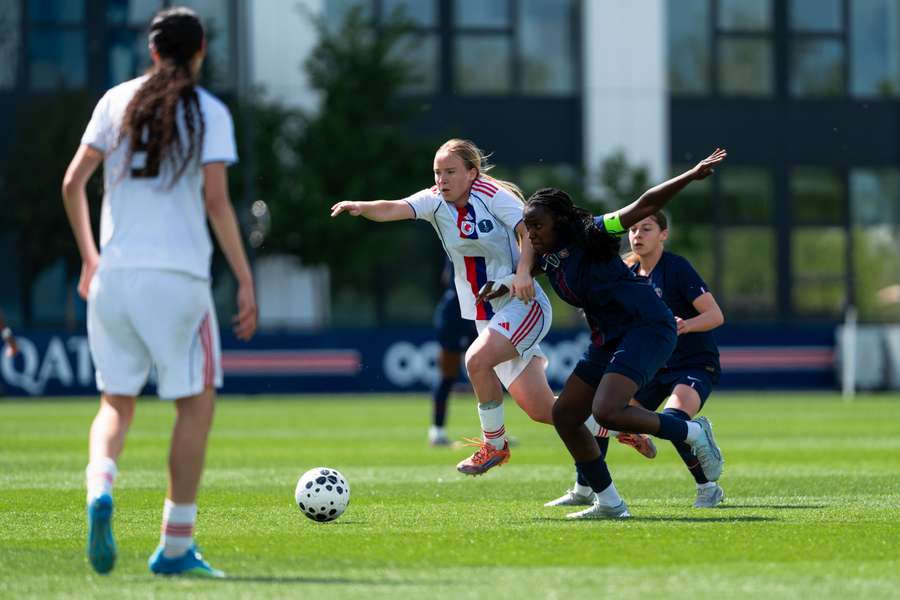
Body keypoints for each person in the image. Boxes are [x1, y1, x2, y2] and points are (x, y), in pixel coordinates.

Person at [62, 7, 257, 577]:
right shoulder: (208, 110)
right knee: (194, 406)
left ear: (151, 51)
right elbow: (216, 203)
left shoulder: (114, 101)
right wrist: (245, 278)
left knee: (114, 404)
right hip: (177, 281)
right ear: (200, 52)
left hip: (114, 278)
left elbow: (72, 183)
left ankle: (101, 487)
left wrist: (90, 257)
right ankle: (175, 547)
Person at [332, 139, 619, 479]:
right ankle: (618, 426)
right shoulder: (435, 201)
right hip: (486, 315)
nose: (442, 179)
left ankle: (494, 445)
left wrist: (523, 273)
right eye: (437, 172)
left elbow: (529, 231)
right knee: (544, 410)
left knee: (475, 360)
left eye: (450, 172)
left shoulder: (493, 195)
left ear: (472, 173)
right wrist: (360, 206)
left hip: (521, 304)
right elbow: (394, 208)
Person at [514, 148, 727, 519]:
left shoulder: (592, 232)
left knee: (607, 412)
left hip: (647, 326)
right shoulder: (548, 255)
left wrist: (690, 175)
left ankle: (691, 432)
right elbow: (525, 261)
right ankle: (610, 503)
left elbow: (645, 204)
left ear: (560, 222)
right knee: (566, 415)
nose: (530, 235)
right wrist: (506, 282)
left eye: (537, 227)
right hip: (608, 338)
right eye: (527, 227)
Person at [626, 212, 726, 507]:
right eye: (633, 229)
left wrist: (685, 325)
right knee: (606, 412)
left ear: (663, 234)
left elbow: (715, 315)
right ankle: (586, 487)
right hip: (655, 367)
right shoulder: (629, 275)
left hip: (694, 363)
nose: (637, 235)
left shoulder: (677, 268)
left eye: (646, 228)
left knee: (673, 421)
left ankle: (708, 488)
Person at [429, 261, 478, 446]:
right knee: (448, 375)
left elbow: (445, 276)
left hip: (475, 310)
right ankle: (437, 432)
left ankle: (493, 435)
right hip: (455, 313)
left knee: (486, 373)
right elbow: (448, 277)